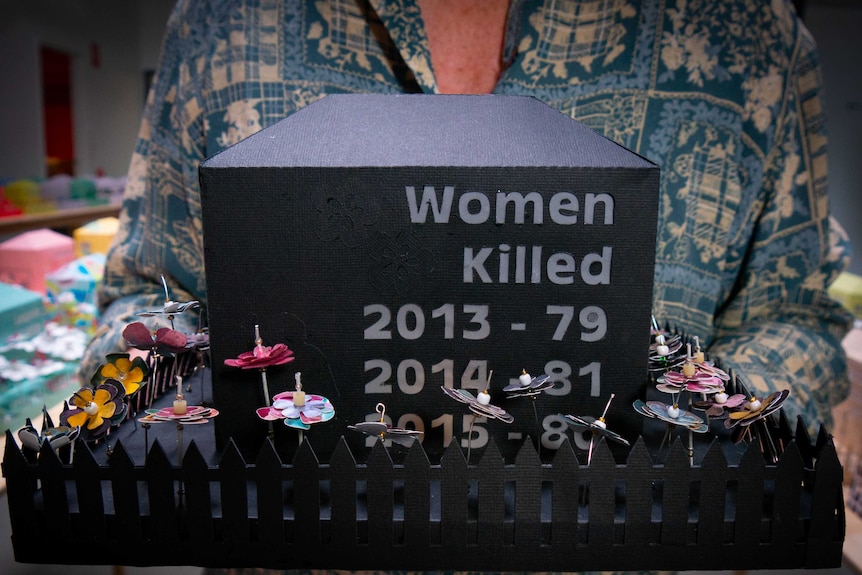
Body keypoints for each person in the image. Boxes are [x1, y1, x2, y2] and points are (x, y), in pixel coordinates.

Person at [81, 0, 853, 435]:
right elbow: (141, 304)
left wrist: (700, 452)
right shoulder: (220, 25)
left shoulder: (749, 40)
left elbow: (793, 322)